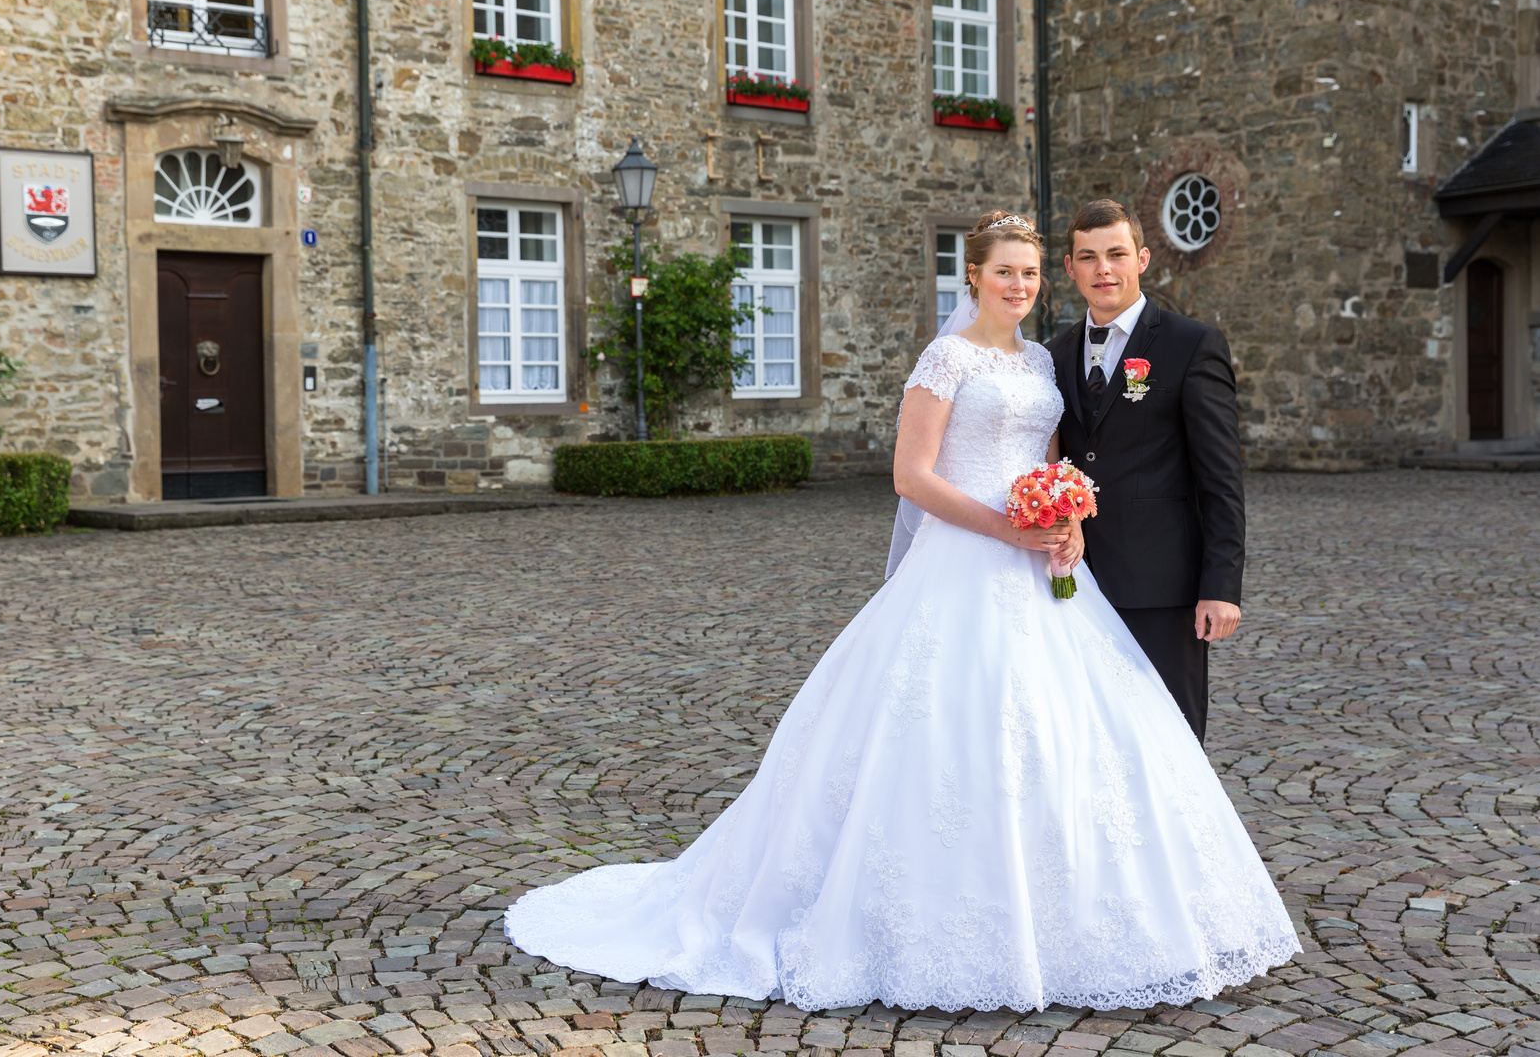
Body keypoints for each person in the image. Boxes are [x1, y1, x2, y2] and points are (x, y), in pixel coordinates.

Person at [503, 211, 1298, 1014]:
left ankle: (1111, 908)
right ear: (975, 278)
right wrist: (1006, 527)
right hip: (962, 564)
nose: (1020, 285)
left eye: (1031, 274)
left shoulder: (1046, 360)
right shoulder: (947, 357)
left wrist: (1070, 520)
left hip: (1053, 576)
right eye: (1006, 272)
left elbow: (1063, 462)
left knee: (1087, 737)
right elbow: (911, 478)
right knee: (934, 731)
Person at [1046, 200, 1245, 743]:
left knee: (1170, 738)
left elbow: (1221, 478)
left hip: (1162, 586)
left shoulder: (1191, 345)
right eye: (1088, 257)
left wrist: (1221, 587)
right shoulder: (1054, 353)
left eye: (1116, 254)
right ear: (1069, 268)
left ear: (1143, 258)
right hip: (1075, 580)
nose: (1103, 269)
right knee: (1088, 734)